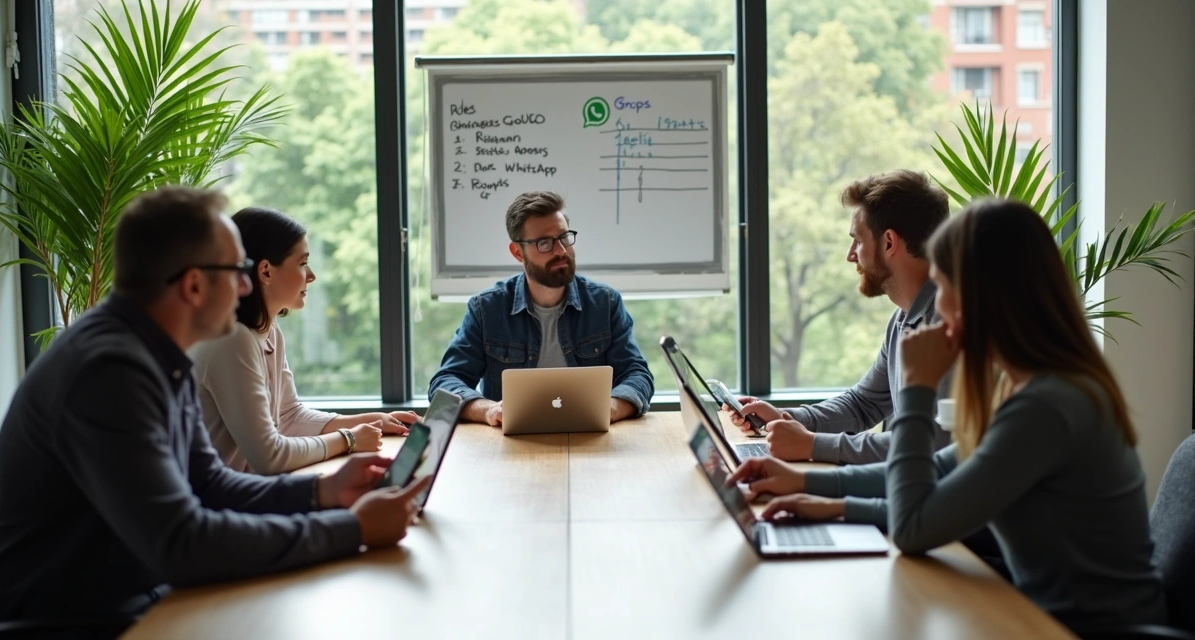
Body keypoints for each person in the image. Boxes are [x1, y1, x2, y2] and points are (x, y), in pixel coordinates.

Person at [0, 187, 431, 626]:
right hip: (70, 615)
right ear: (194, 284)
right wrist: (352, 530)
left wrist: (324, 493)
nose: (244, 284)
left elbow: (211, 484)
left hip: (131, 590)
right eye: (237, 269)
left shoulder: (155, 353)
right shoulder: (109, 371)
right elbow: (182, 544)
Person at [726, 198, 1167, 630]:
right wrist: (810, 487)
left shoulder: (1048, 407)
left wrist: (918, 388)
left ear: (981, 295)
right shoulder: (1036, 387)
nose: (940, 306)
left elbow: (914, 527)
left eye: (945, 286)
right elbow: (940, 471)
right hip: (1038, 615)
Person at [727, 170, 952, 465]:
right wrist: (786, 418)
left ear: (888, 243)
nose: (850, 255)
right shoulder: (903, 319)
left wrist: (812, 445)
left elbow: (932, 444)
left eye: (857, 241)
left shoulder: (951, 324)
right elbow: (864, 404)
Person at [189, 207, 416, 475]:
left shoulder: (267, 329)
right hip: (221, 506)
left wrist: (372, 420)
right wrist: (349, 439)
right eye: (302, 263)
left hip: (245, 494)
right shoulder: (232, 340)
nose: (311, 275)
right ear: (266, 271)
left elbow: (288, 416)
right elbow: (270, 457)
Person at [428, 190, 654, 427]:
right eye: (545, 243)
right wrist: (488, 410)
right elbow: (445, 384)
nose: (561, 251)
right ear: (518, 252)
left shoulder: (605, 303)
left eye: (564, 237)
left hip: (592, 440)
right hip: (508, 447)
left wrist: (610, 407)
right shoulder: (486, 308)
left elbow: (638, 375)